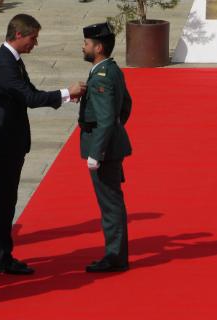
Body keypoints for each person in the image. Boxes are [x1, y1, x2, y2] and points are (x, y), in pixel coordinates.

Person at [0, 13, 86, 275]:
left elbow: (30, 92)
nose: (35, 44)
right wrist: (65, 92)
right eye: (33, 38)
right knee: (2, 201)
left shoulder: (12, 60)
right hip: (3, 143)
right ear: (18, 35)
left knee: (6, 200)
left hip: (11, 141)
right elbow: (29, 96)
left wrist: (62, 97)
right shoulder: (5, 63)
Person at [79, 22, 132, 272]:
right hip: (112, 146)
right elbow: (126, 106)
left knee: (110, 204)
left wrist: (96, 152)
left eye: (87, 44)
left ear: (98, 47)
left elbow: (106, 118)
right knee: (112, 202)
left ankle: (114, 257)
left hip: (105, 151)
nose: (83, 46)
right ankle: (116, 254)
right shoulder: (110, 70)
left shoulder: (101, 75)